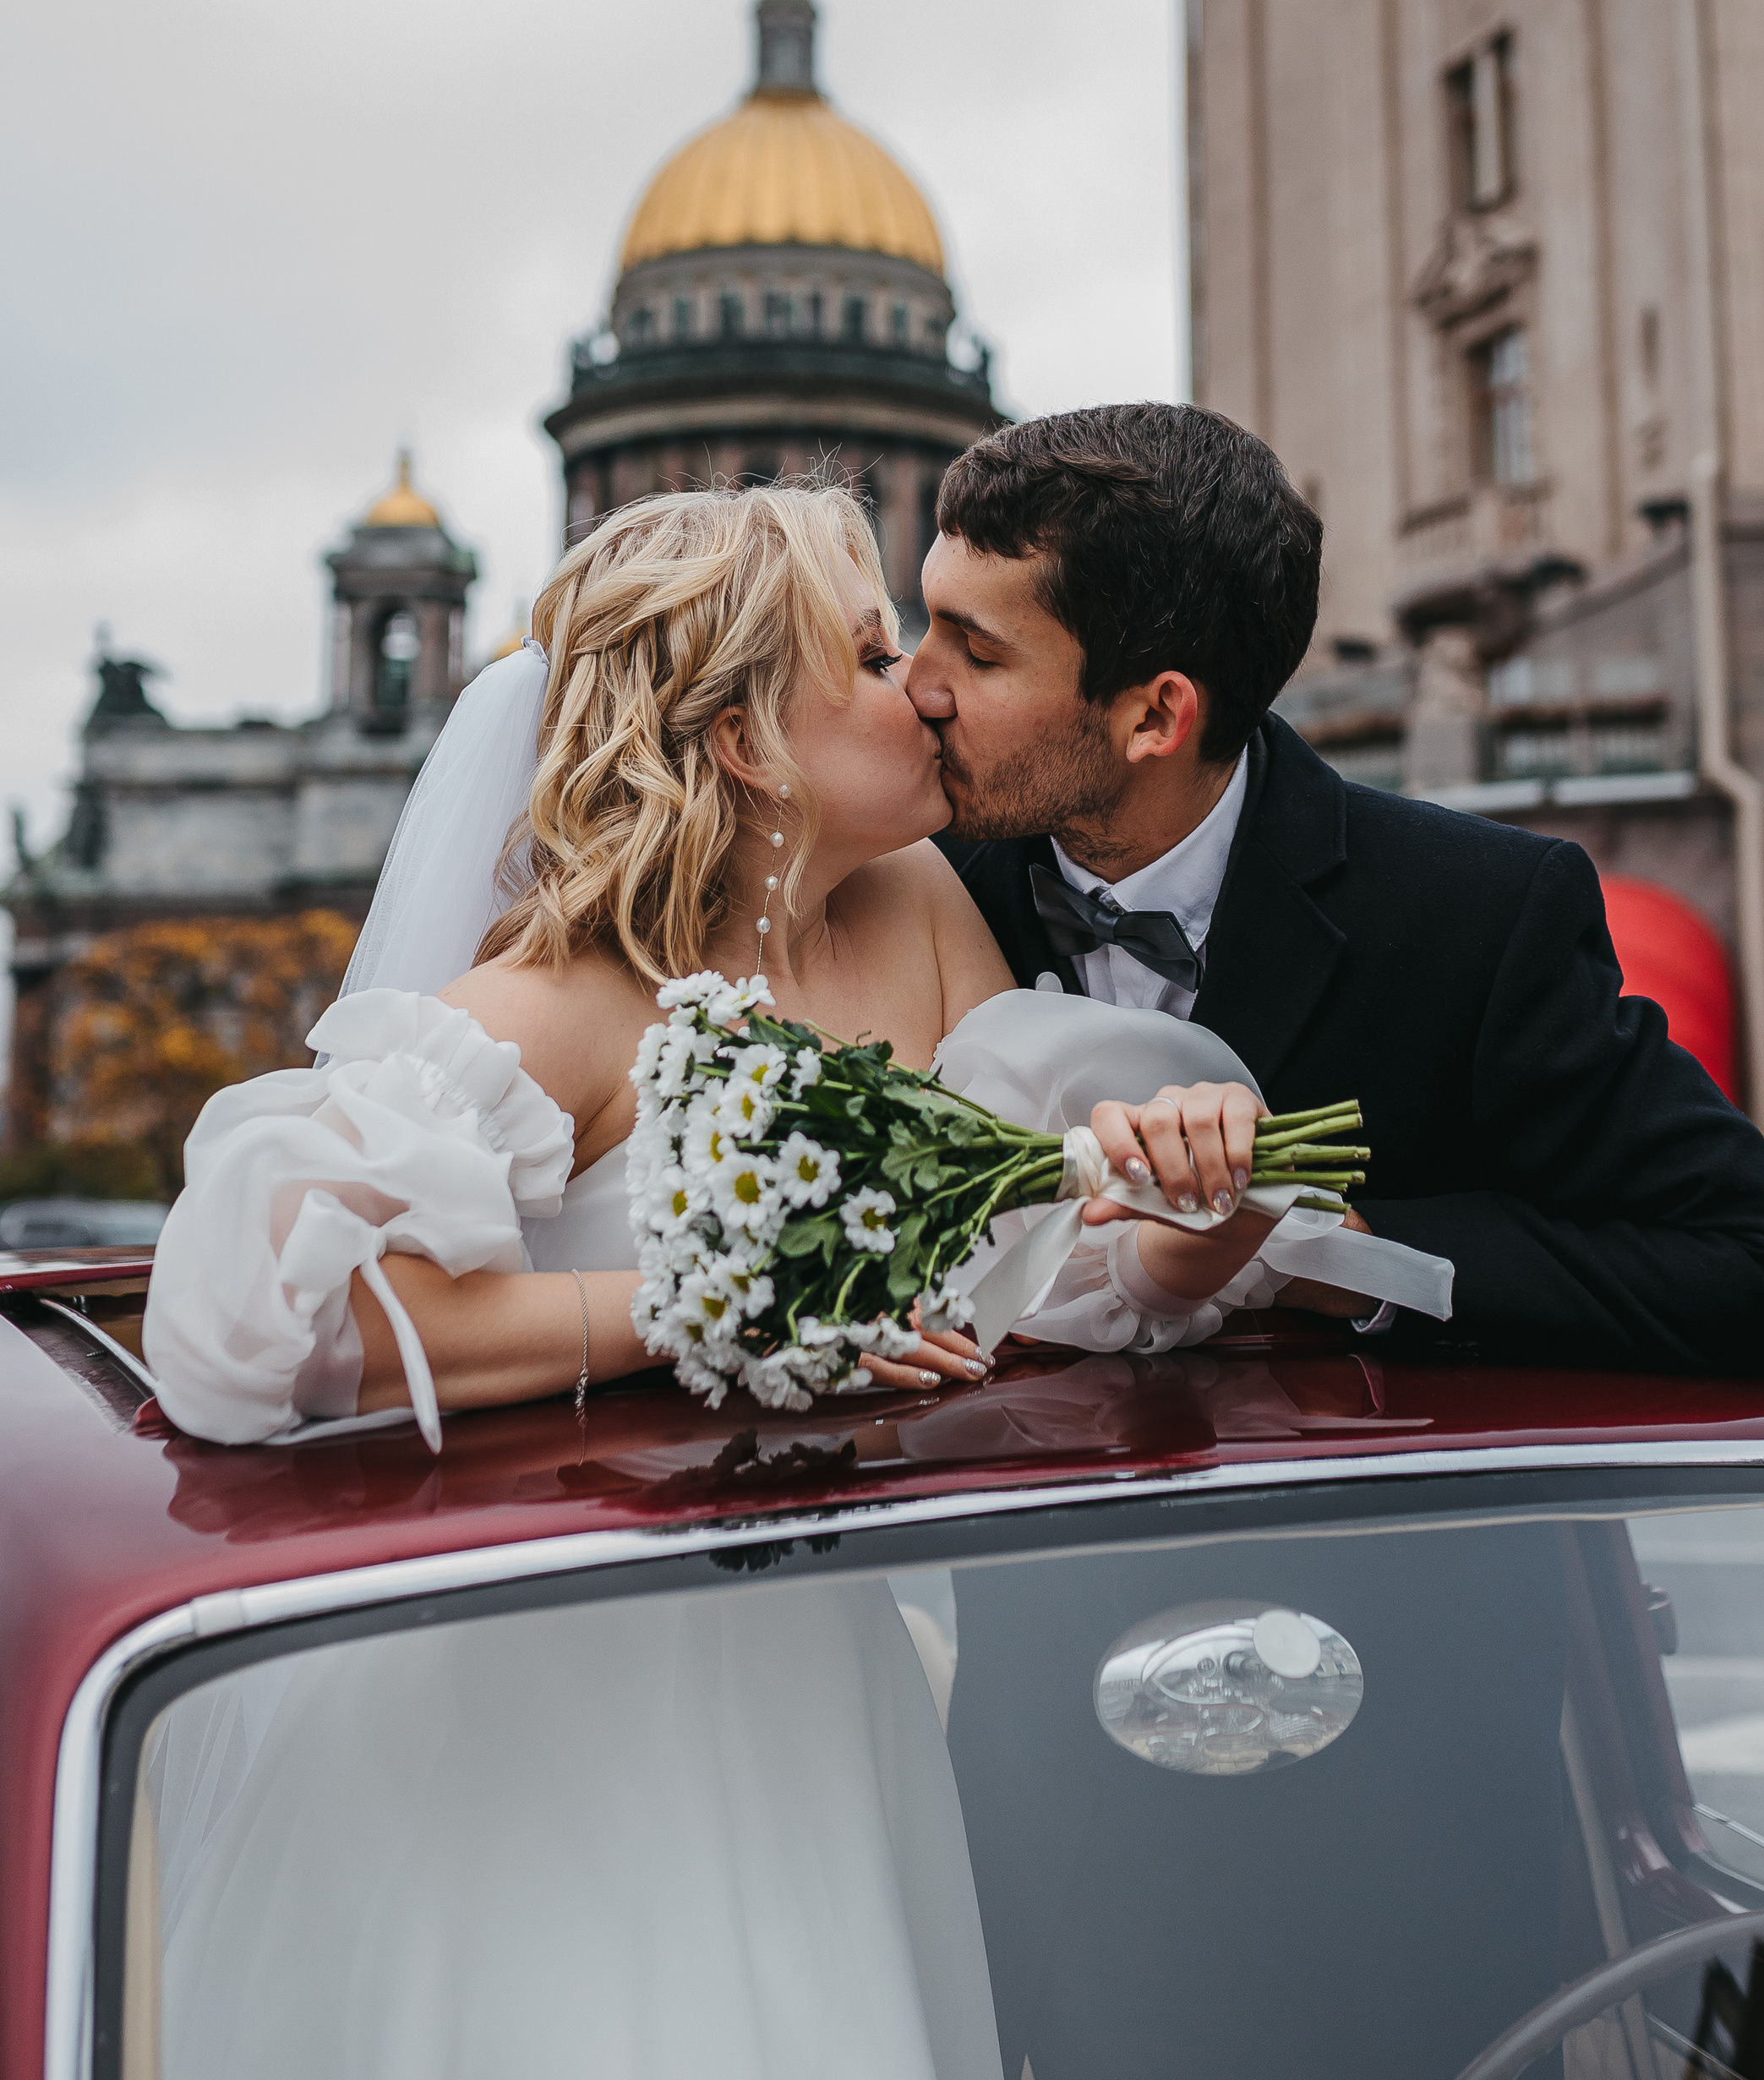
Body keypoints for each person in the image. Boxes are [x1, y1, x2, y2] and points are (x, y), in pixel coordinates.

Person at [145, 482, 1308, 1450]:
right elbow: (270, 1320)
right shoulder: (556, 1003)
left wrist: (1196, 1204)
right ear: (748, 742)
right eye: (873, 654)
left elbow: (1004, 1274)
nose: (925, 688)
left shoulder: (917, 900)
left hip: (868, 1597)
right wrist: (720, 1309)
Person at [910, 400, 1764, 1378]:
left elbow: (1762, 1269)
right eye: (921, 625)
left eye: (974, 652)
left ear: (1155, 716)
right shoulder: (916, 890)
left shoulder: (1478, 914)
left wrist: (1339, 1252)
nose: (916, 685)